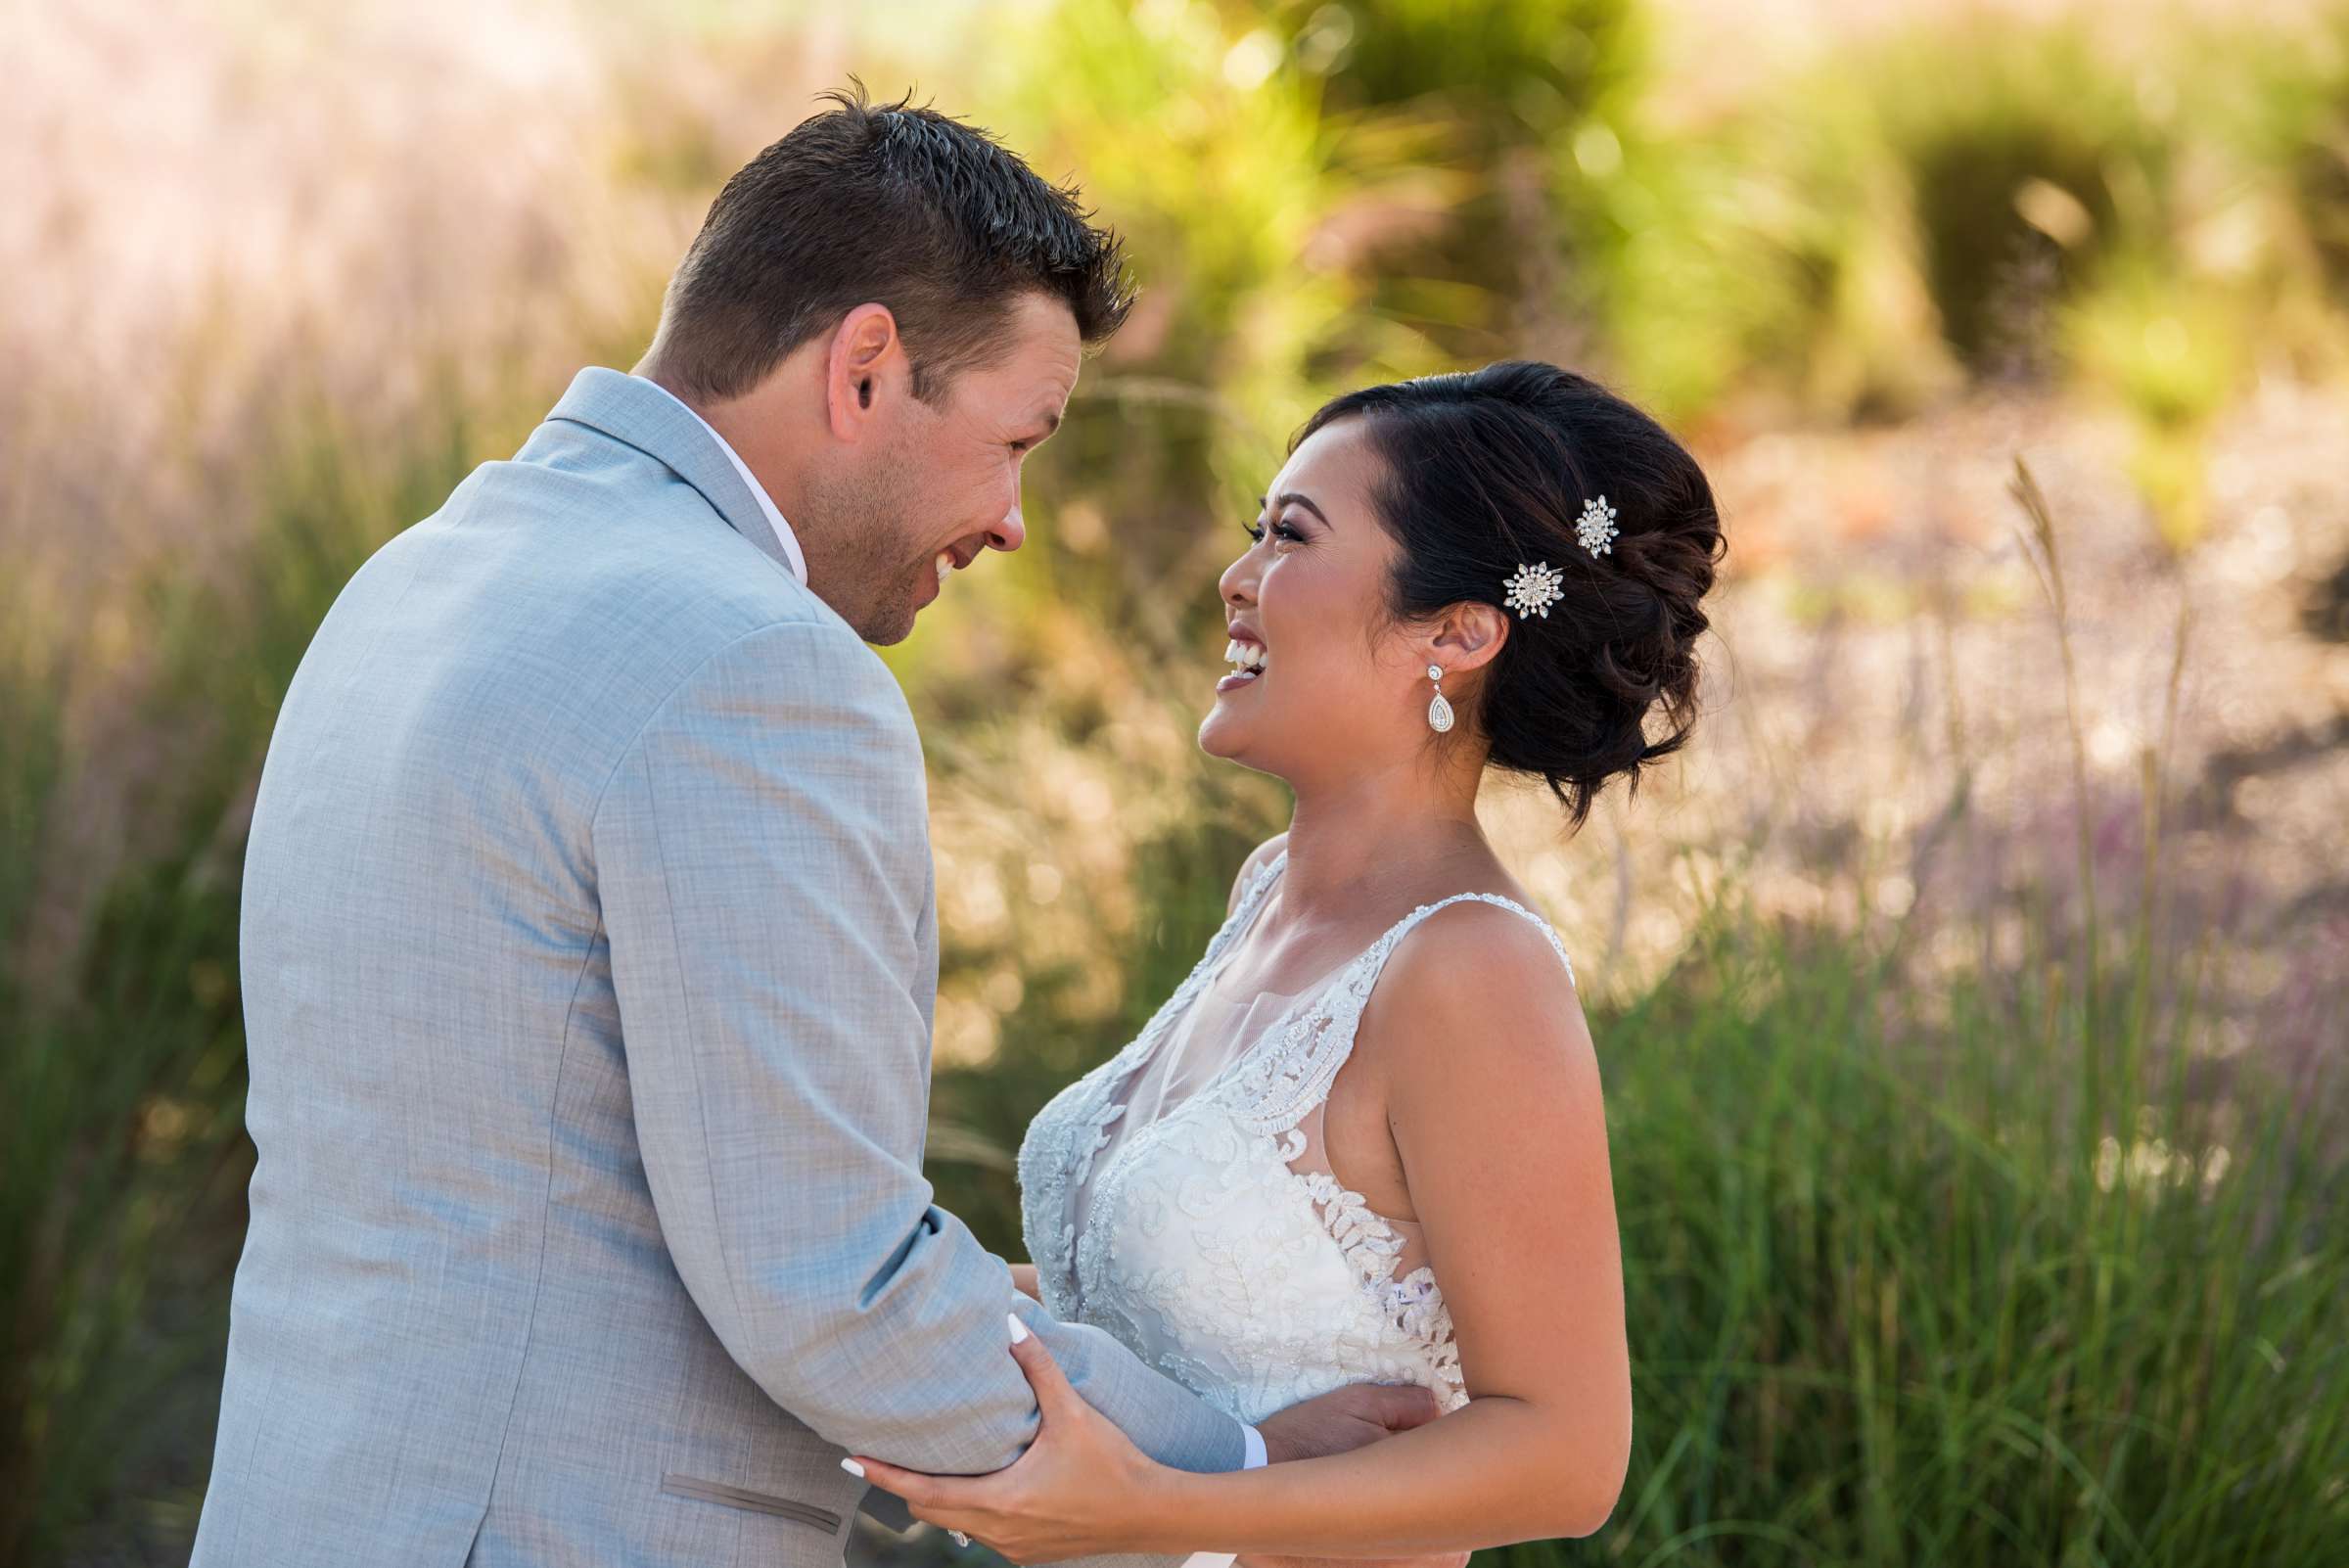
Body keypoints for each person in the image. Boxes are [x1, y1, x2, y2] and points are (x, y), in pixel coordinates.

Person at [189, 86, 1435, 1568]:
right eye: (1016, 438)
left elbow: (568, 1176)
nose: (1012, 520)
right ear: (864, 369)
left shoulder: (416, 575)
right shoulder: (750, 663)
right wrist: (1235, 1470)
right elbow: (829, 1278)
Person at [847, 361, 1726, 1561]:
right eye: (1252, 532)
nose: (1237, 580)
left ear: (1457, 632)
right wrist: (878, 1285)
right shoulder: (1268, 895)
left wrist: (1162, 1509)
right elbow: (1149, 1310)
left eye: (1291, 538)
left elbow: (1566, 1456)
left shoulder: (1468, 971)